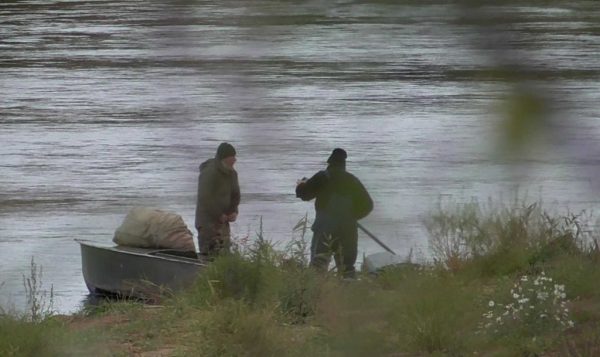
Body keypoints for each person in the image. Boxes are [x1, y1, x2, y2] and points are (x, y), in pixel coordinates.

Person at [295, 148, 373, 278]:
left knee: (318, 266)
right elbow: (368, 205)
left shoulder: (322, 176)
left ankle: (318, 294)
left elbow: (303, 194)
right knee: (347, 268)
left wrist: (301, 184)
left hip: (325, 228)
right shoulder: (352, 180)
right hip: (348, 229)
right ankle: (347, 293)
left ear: (329, 163)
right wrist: (352, 217)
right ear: (344, 164)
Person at [195, 142, 240, 256]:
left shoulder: (232, 174)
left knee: (224, 256)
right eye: (232, 157)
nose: (235, 160)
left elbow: (236, 195)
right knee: (209, 256)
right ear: (224, 158)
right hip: (207, 224)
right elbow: (204, 197)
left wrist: (233, 211)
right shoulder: (209, 172)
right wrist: (219, 214)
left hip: (223, 224)